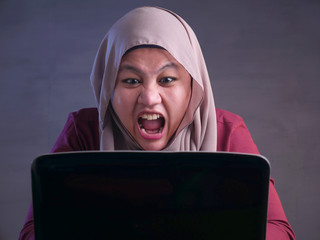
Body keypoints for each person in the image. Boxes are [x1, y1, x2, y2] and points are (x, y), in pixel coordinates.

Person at [19, 6, 295, 240]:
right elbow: (34, 231)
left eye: (167, 80)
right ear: (108, 90)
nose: (150, 98)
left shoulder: (227, 131)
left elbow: (278, 230)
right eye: (131, 81)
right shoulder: (83, 132)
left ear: (193, 87)